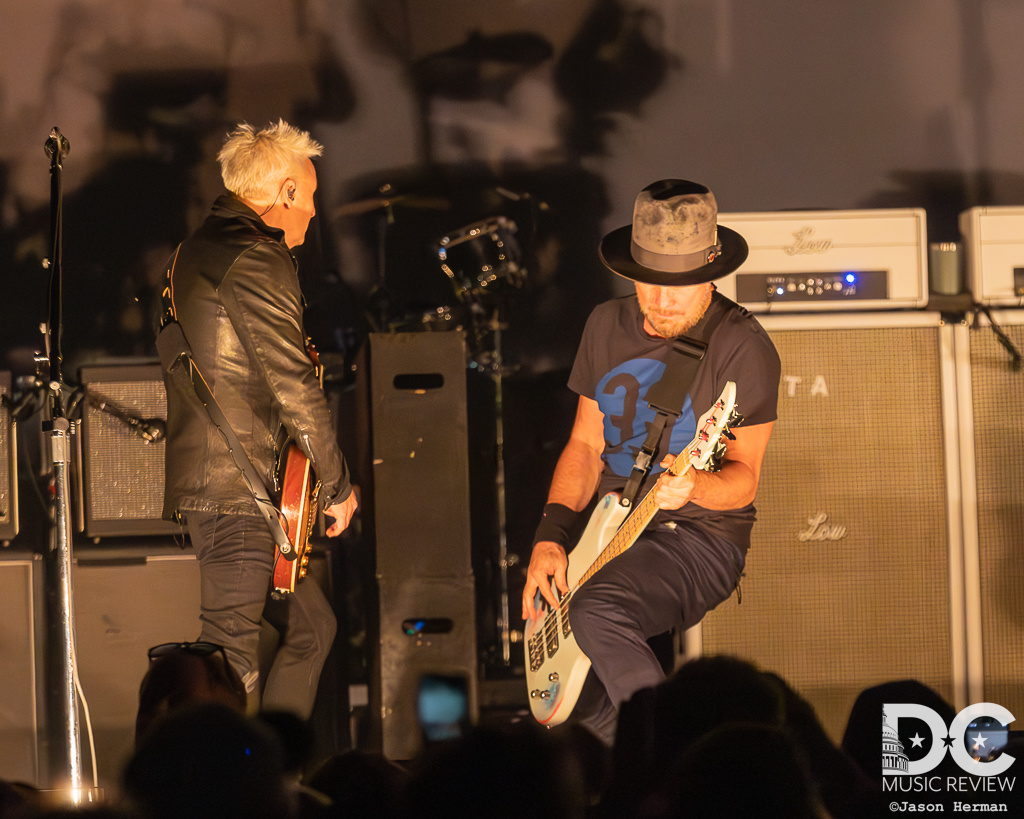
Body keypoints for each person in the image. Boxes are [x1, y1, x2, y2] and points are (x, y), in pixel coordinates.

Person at [522, 179, 781, 744]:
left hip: (699, 536)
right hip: (608, 528)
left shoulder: (744, 348)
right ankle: (637, 776)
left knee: (598, 609)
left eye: (680, 286)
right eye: (648, 284)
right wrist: (551, 535)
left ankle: (670, 758)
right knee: (581, 702)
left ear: (711, 274)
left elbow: (742, 482)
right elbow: (585, 446)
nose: (662, 301)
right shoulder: (603, 325)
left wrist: (695, 490)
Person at [159, 119, 358, 718]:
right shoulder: (254, 257)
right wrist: (339, 485)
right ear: (285, 193)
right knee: (228, 663)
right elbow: (294, 385)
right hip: (238, 496)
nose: (315, 211)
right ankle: (214, 788)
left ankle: (275, 773)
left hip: (228, 490)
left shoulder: (196, 250)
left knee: (313, 627)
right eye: (311, 194)